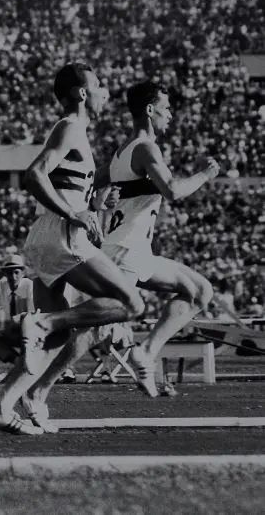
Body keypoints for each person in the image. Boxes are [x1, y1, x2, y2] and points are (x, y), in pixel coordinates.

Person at [20, 80, 219, 432]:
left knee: (199, 291)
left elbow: (92, 185)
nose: (171, 115)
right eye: (166, 108)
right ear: (149, 110)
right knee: (92, 330)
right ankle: (39, 388)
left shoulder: (122, 152)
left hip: (135, 249)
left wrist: (100, 203)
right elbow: (173, 191)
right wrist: (206, 173)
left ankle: (146, 352)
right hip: (126, 249)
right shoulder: (145, 148)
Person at [0, 63, 147, 435]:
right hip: (61, 236)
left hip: (45, 237)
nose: (106, 92)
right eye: (99, 85)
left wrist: (94, 205)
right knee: (131, 304)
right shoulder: (69, 127)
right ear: (81, 93)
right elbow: (34, 174)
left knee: (55, 339)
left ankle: (0, 406)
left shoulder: (76, 133)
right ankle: (42, 322)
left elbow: (64, 187)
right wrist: (74, 213)